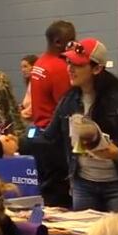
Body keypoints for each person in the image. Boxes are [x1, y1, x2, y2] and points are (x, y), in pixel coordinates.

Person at [44, 38, 118, 212]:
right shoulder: (68, 100)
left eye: (78, 65)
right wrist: (14, 144)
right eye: (69, 62)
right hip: (83, 184)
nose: (70, 68)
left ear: (97, 68)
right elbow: (48, 137)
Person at [28, 20, 76, 208]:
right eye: (70, 40)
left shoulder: (40, 62)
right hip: (55, 138)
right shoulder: (59, 68)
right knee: (59, 194)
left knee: (47, 189)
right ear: (58, 42)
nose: (74, 43)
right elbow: (67, 106)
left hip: (40, 134)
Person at [19, 54, 38, 122]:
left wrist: (21, 114)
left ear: (34, 67)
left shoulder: (36, 82)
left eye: (25, 66)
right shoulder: (30, 82)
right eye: (22, 67)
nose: (23, 70)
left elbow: (36, 103)